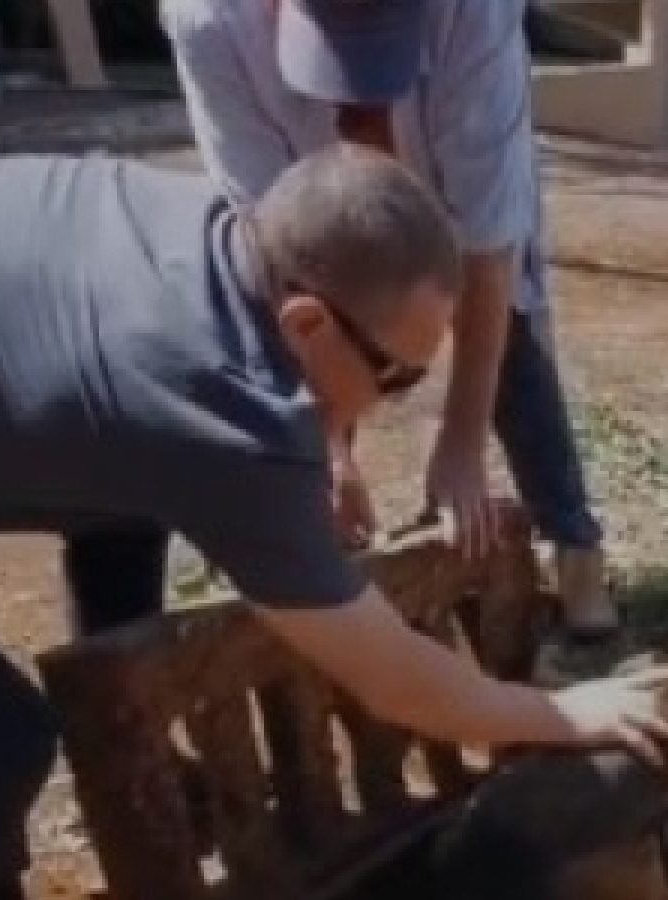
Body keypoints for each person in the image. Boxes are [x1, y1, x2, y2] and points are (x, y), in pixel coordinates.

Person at [0, 148, 668, 900]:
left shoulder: (205, 230)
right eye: (397, 376)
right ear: (307, 322)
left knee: (127, 496)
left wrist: (315, 452)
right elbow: (398, 684)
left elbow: (129, 405)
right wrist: (562, 713)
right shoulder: (221, 414)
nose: (391, 401)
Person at [161, 0, 620, 642]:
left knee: (512, 323)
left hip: (445, 168)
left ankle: (574, 543)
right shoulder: (209, 21)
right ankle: (308, 544)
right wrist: (328, 447)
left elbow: (488, 250)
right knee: (300, 322)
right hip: (307, 198)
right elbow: (275, 265)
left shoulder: (478, 15)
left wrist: (461, 447)